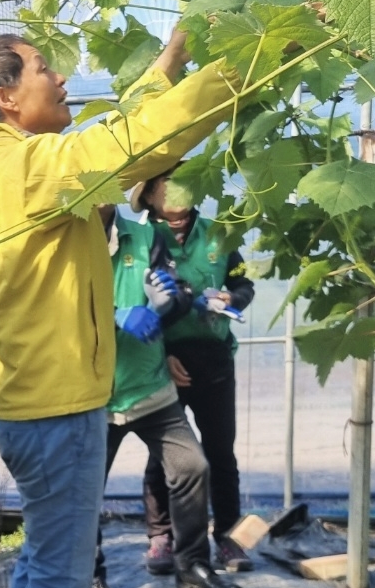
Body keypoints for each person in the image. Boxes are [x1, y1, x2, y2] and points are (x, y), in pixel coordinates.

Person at [0, 28, 245, 588]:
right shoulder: (33, 167)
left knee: (47, 558)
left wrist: (167, 63)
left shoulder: (6, 167)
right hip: (54, 411)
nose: (62, 77)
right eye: (44, 69)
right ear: (7, 98)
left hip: (43, 404)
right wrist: (244, 60)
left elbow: (113, 137)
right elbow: (136, 142)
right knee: (58, 572)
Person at [93, 205, 239, 588]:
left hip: (150, 387)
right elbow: (56, 307)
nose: (100, 203)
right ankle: (88, 570)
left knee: (192, 466)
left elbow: (175, 293)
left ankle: (191, 562)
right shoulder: (67, 240)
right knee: (84, 486)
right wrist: (114, 315)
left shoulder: (144, 237)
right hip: (92, 395)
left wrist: (167, 305)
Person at [132, 168, 257, 574]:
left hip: (215, 355)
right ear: (149, 198)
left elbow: (244, 284)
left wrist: (230, 296)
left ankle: (227, 536)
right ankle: (161, 537)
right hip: (162, 358)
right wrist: (163, 355)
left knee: (221, 451)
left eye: (184, 196)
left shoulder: (219, 233)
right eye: (166, 196)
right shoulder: (142, 240)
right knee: (163, 453)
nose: (178, 208)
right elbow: (137, 298)